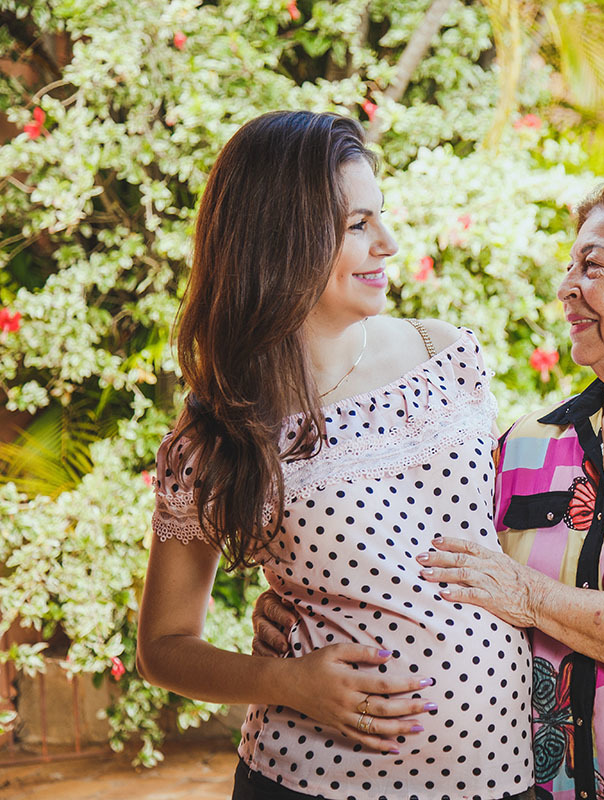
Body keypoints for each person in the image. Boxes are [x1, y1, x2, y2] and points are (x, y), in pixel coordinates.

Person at [257, 175, 604, 800]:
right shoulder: (527, 444)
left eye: (593, 266)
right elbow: (426, 569)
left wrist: (533, 598)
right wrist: (314, 607)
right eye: (569, 265)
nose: (566, 286)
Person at [136, 110, 534, 800]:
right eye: (356, 225)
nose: (387, 244)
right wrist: (284, 680)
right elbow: (163, 647)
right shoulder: (217, 433)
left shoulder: (449, 354)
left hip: (504, 777)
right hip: (314, 782)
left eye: (381, 217)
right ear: (278, 242)